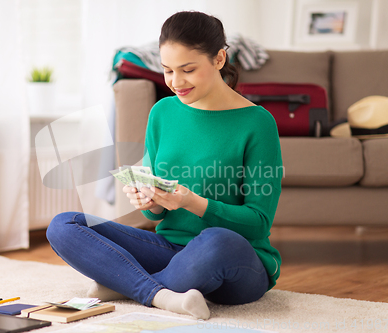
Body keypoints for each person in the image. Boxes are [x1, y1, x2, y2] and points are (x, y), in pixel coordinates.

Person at [46, 11, 282, 320]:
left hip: (236, 260)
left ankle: (130, 284)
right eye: (168, 70)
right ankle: (161, 294)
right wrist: (150, 201)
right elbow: (154, 213)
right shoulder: (162, 113)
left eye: (188, 69)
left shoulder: (257, 122)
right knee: (64, 225)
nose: (175, 82)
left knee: (218, 240)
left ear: (220, 58)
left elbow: (259, 221)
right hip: (169, 250)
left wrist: (192, 202)